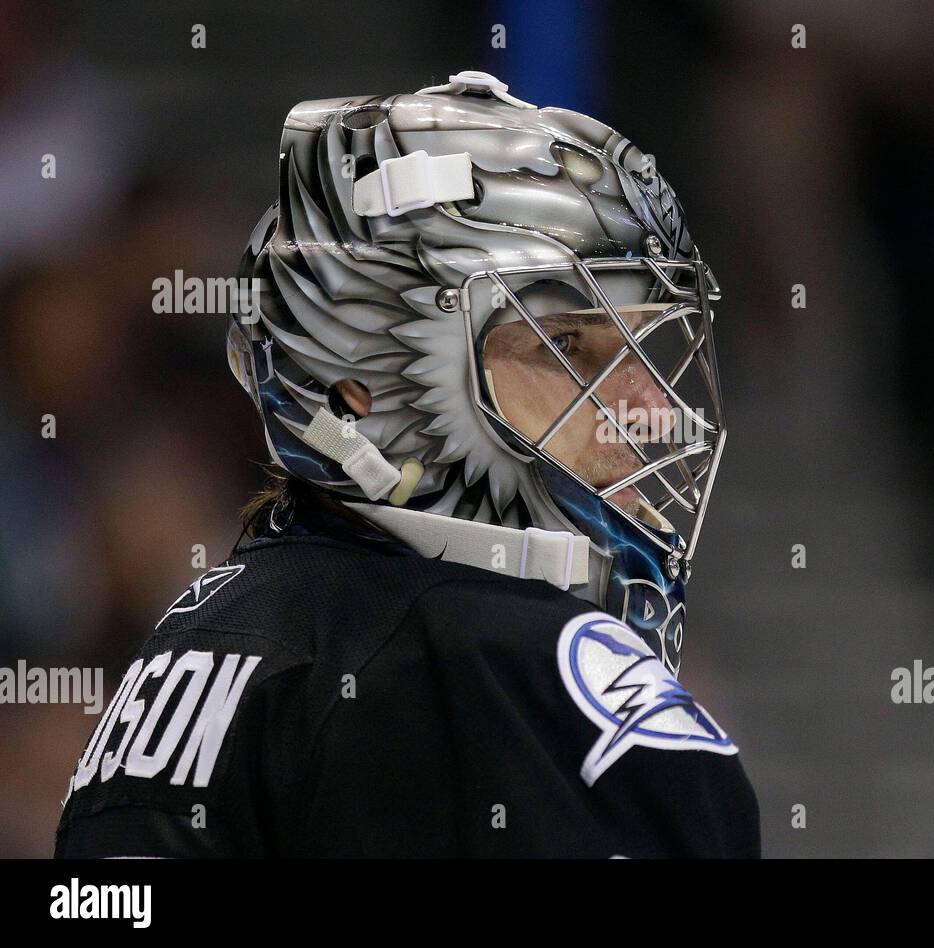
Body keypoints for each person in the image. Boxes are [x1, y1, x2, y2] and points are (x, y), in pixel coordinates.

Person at [55, 71, 759, 858]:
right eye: (563, 346)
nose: (643, 414)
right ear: (362, 391)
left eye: (640, 346)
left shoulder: (190, 647)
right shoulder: (506, 668)